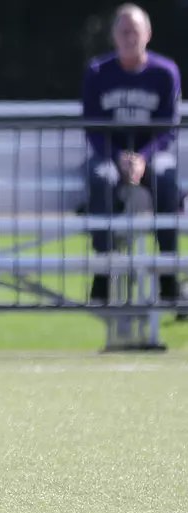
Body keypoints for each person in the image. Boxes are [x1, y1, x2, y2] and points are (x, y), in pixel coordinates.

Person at [82, 4, 181, 304]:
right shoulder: (98, 72)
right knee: (101, 178)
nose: (129, 37)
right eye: (123, 31)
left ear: (147, 34)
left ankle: (168, 274)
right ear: (113, 35)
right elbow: (93, 128)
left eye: (134, 31)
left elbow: (168, 129)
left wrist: (142, 158)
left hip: (151, 155)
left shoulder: (165, 72)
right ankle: (103, 271)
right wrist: (119, 158)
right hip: (110, 155)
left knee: (166, 179)